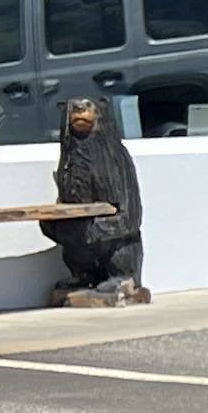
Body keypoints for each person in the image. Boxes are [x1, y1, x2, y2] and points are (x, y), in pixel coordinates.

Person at [47, 98, 147, 305]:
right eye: (74, 110)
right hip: (85, 240)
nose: (80, 112)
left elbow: (131, 215)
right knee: (70, 236)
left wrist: (95, 230)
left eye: (87, 107)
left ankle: (122, 278)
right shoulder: (69, 158)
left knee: (121, 247)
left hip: (114, 238)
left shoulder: (116, 157)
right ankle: (84, 276)